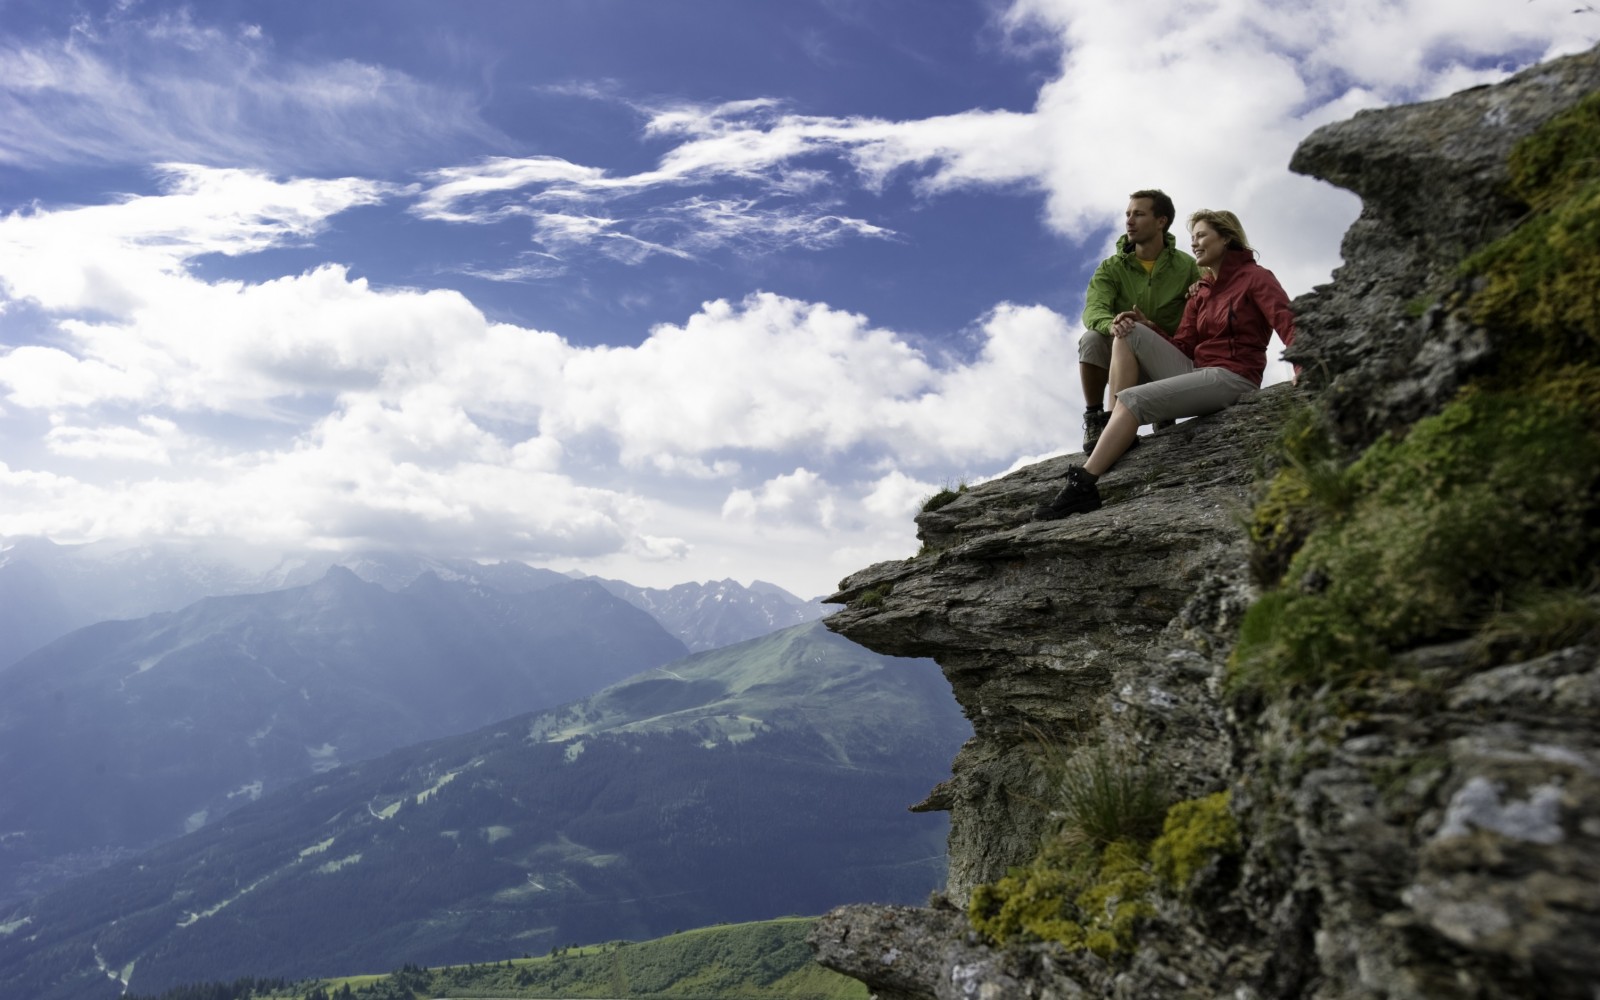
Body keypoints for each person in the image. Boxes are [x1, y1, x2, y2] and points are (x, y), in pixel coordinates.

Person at [1035, 209, 1295, 521]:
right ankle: (1119, 432)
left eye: (1201, 236)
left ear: (1226, 238)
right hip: (1198, 370)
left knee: (1133, 400)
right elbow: (1184, 345)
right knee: (1126, 331)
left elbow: (1287, 320)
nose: (1194, 244)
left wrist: (1302, 367)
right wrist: (1147, 325)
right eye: (1192, 238)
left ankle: (1083, 486)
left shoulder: (1256, 278)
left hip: (1234, 377)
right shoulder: (1201, 292)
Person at [1078, 190, 1202, 451]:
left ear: (1161, 221)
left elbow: (1208, 305)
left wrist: (1198, 291)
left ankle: (1165, 411)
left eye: (1139, 214)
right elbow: (1093, 310)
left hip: (1167, 361)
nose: (1129, 221)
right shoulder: (1111, 267)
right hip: (1123, 360)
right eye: (1128, 214)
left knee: (1134, 336)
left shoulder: (1187, 266)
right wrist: (1112, 324)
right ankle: (1096, 418)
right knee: (1091, 339)